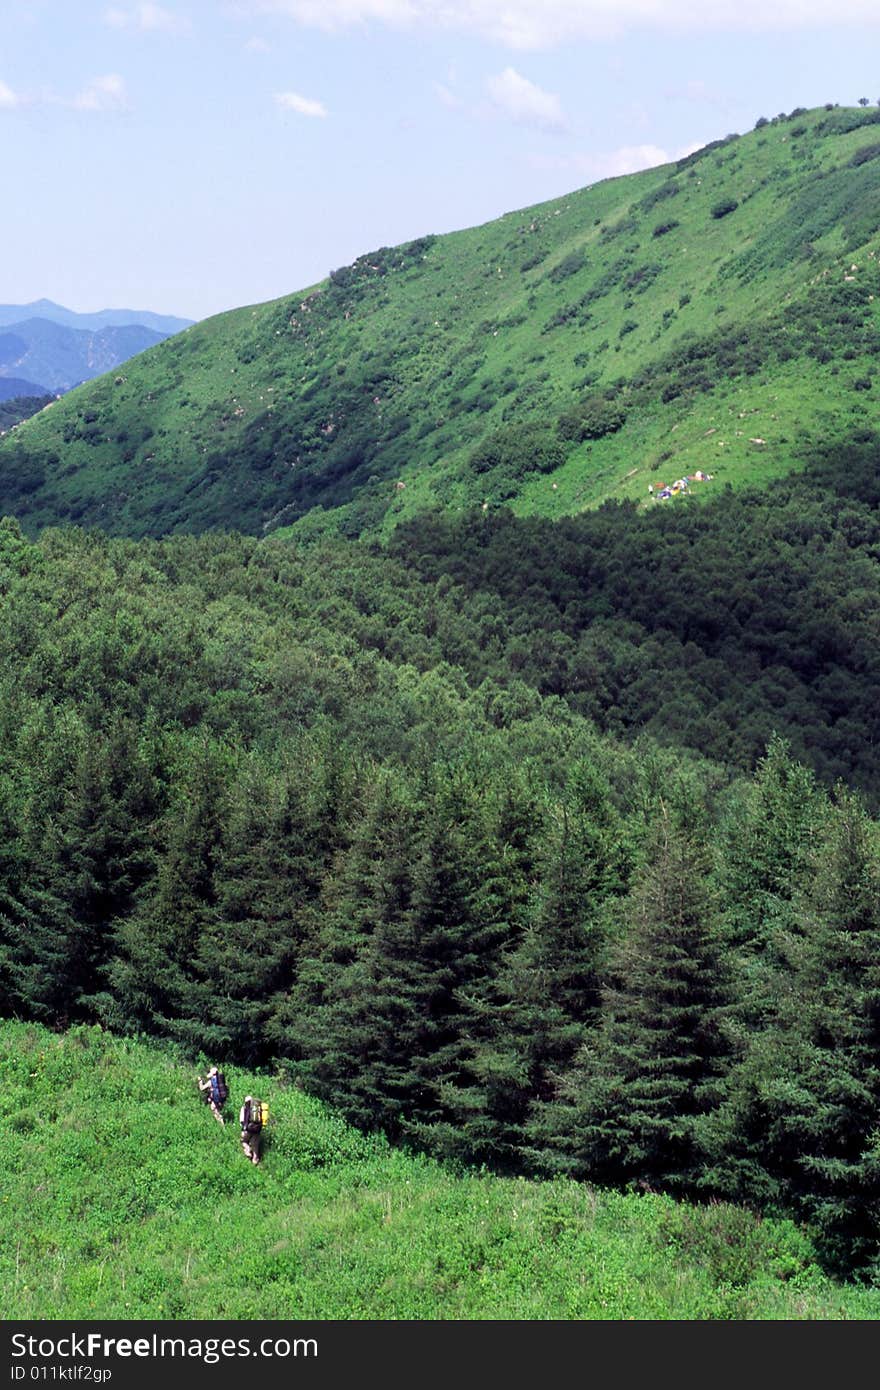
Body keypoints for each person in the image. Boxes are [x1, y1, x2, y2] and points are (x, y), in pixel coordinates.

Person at [240, 1095, 263, 1164]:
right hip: (257, 1129)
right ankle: (255, 1159)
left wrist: (243, 1130)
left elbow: (242, 1121)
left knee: (243, 1141)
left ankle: (248, 1150)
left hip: (248, 1129)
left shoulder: (244, 1108)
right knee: (255, 1145)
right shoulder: (258, 1108)